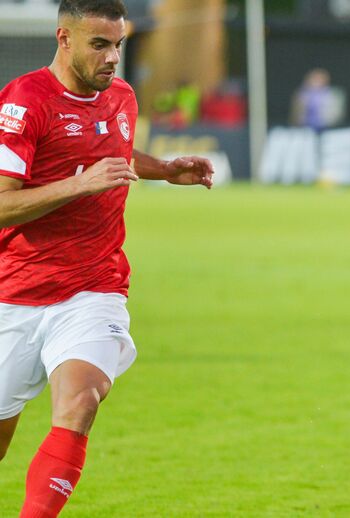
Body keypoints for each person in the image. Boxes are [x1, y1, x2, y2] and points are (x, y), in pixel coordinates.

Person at [0, 2, 214, 517]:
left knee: (80, 402)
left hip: (94, 288)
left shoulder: (121, 97)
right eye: (99, 44)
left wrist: (163, 168)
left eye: (118, 44)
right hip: (16, 293)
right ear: (64, 38)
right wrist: (78, 186)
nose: (113, 57)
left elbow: (108, 151)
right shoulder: (24, 102)